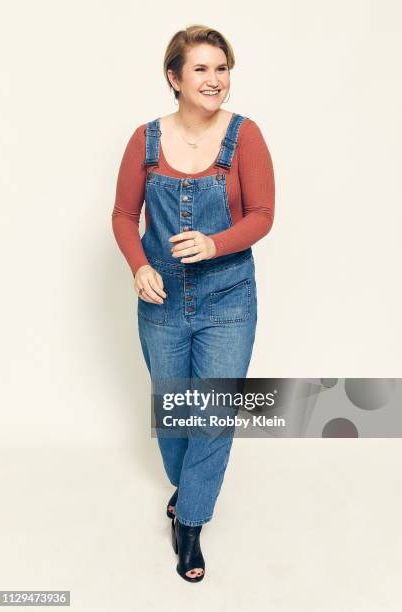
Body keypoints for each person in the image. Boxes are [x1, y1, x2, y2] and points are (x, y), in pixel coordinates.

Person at [112, 25, 275, 583]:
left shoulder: (245, 136)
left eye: (221, 68)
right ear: (173, 77)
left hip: (228, 297)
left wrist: (214, 243)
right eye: (201, 69)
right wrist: (139, 266)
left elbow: (262, 216)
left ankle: (191, 524)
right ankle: (187, 490)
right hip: (162, 301)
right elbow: (122, 215)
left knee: (212, 416)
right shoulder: (145, 140)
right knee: (175, 413)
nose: (214, 80)